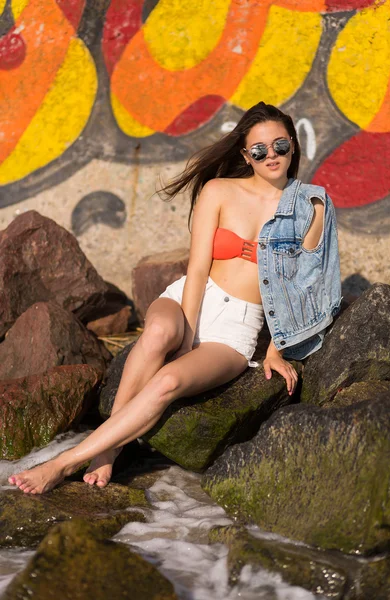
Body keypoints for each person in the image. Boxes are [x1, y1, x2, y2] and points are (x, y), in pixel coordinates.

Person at [8, 102, 341, 494]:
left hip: (236, 330)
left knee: (167, 381)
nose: (272, 156)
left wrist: (277, 348)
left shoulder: (312, 205)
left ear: (294, 147)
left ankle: (64, 462)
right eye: (259, 150)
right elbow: (198, 267)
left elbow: (311, 284)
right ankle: (107, 451)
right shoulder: (219, 191)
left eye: (280, 146)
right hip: (192, 297)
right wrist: (187, 332)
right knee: (157, 333)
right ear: (245, 155)